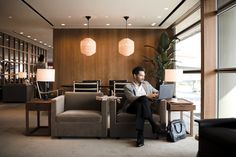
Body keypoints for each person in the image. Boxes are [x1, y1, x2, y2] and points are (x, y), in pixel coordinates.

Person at [122, 66, 162, 147]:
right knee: (143, 98)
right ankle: (154, 124)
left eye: (144, 75)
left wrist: (155, 95)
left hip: (143, 107)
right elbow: (131, 98)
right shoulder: (127, 86)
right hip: (132, 107)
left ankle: (140, 136)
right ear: (134, 76)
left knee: (141, 106)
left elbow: (157, 92)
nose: (143, 77)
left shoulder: (146, 84)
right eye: (141, 75)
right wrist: (146, 96)